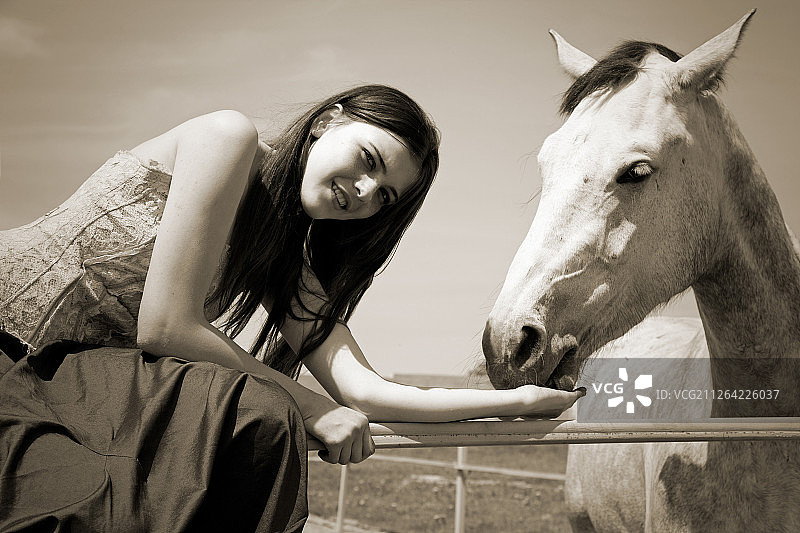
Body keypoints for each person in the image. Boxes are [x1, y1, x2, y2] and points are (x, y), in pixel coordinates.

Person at [0, 84, 584, 531]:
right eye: (368, 159)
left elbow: (365, 391)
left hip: (54, 387)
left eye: (383, 197)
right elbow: (167, 325)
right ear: (328, 121)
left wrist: (515, 403)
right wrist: (310, 406)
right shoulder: (228, 137)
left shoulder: (282, 258)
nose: (364, 193)